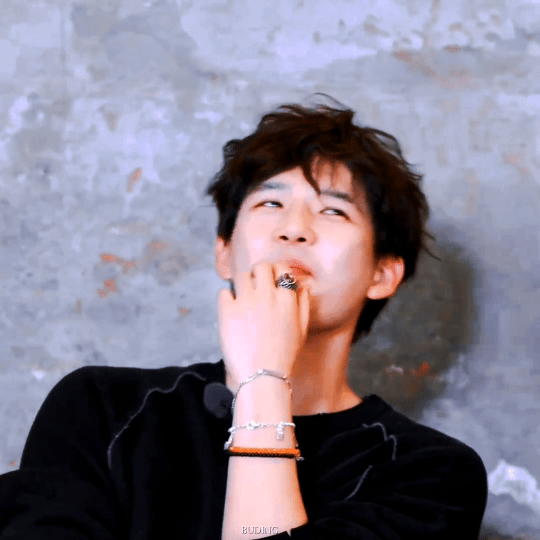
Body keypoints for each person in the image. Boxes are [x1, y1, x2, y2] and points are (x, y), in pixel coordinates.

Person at [0, 96, 488, 540]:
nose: (294, 230)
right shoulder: (103, 409)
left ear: (382, 274)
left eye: (333, 212)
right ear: (225, 253)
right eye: (271, 203)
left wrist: (263, 383)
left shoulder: (432, 474)